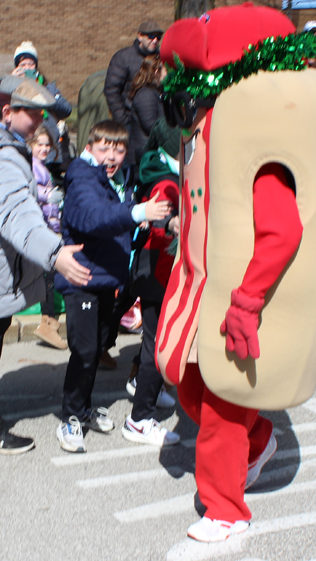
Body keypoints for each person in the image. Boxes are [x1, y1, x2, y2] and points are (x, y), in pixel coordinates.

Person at [157, 5, 316, 543]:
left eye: (198, 90)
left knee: (218, 415)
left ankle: (227, 513)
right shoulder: (213, 135)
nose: (189, 104)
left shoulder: (259, 146)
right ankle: (259, 443)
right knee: (191, 388)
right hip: (203, 289)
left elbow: (282, 231)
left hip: (240, 301)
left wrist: (247, 301)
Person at [0, 76, 92, 455]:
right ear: (7, 111)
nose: (39, 120)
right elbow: (17, 218)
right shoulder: (1, 159)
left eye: (42, 113)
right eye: (31, 113)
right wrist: (56, 254)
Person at [54, 120, 171, 453]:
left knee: (98, 345)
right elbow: (92, 217)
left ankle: (84, 407)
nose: (112, 156)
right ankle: (70, 419)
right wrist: (136, 212)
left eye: (118, 149)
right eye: (104, 148)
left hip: (107, 278)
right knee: (85, 350)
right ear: (89, 147)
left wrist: (148, 219)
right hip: (82, 277)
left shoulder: (119, 179)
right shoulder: (82, 178)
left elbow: (123, 219)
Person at [122, 125, 181, 446]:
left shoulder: (158, 172)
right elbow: (159, 226)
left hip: (151, 269)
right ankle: (139, 419)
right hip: (158, 271)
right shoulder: (167, 183)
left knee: (156, 341)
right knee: (158, 344)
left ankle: (152, 392)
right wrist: (172, 224)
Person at [28, 125, 67, 350]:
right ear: (31, 145)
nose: (43, 148)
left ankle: (49, 323)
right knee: (48, 277)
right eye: (39, 144)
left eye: (46, 145)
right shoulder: (31, 167)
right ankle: (48, 324)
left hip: (48, 228)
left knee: (48, 275)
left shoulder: (42, 166)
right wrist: (48, 195)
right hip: (40, 230)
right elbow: (28, 189)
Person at [13, 41, 72, 178]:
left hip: (49, 148)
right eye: (23, 65)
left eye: (31, 64)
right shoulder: (13, 86)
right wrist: (14, 83)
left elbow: (67, 110)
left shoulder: (48, 87)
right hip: (27, 145)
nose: (27, 68)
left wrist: (45, 95)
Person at [104, 20, 163, 127]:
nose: (155, 41)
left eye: (158, 37)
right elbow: (111, 91)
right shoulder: (123, 57)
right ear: (140, 36)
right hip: (130, 121)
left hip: (155, 120)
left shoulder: (161, 58)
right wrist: (124, 120)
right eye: (151, 36)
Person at [128, 55, 166, 168]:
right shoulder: (146, 95)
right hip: (145, 155)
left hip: (152, 153)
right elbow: (150, 125)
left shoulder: (156, 92)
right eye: (166, 70)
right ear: (156, 71)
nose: (168, 74)